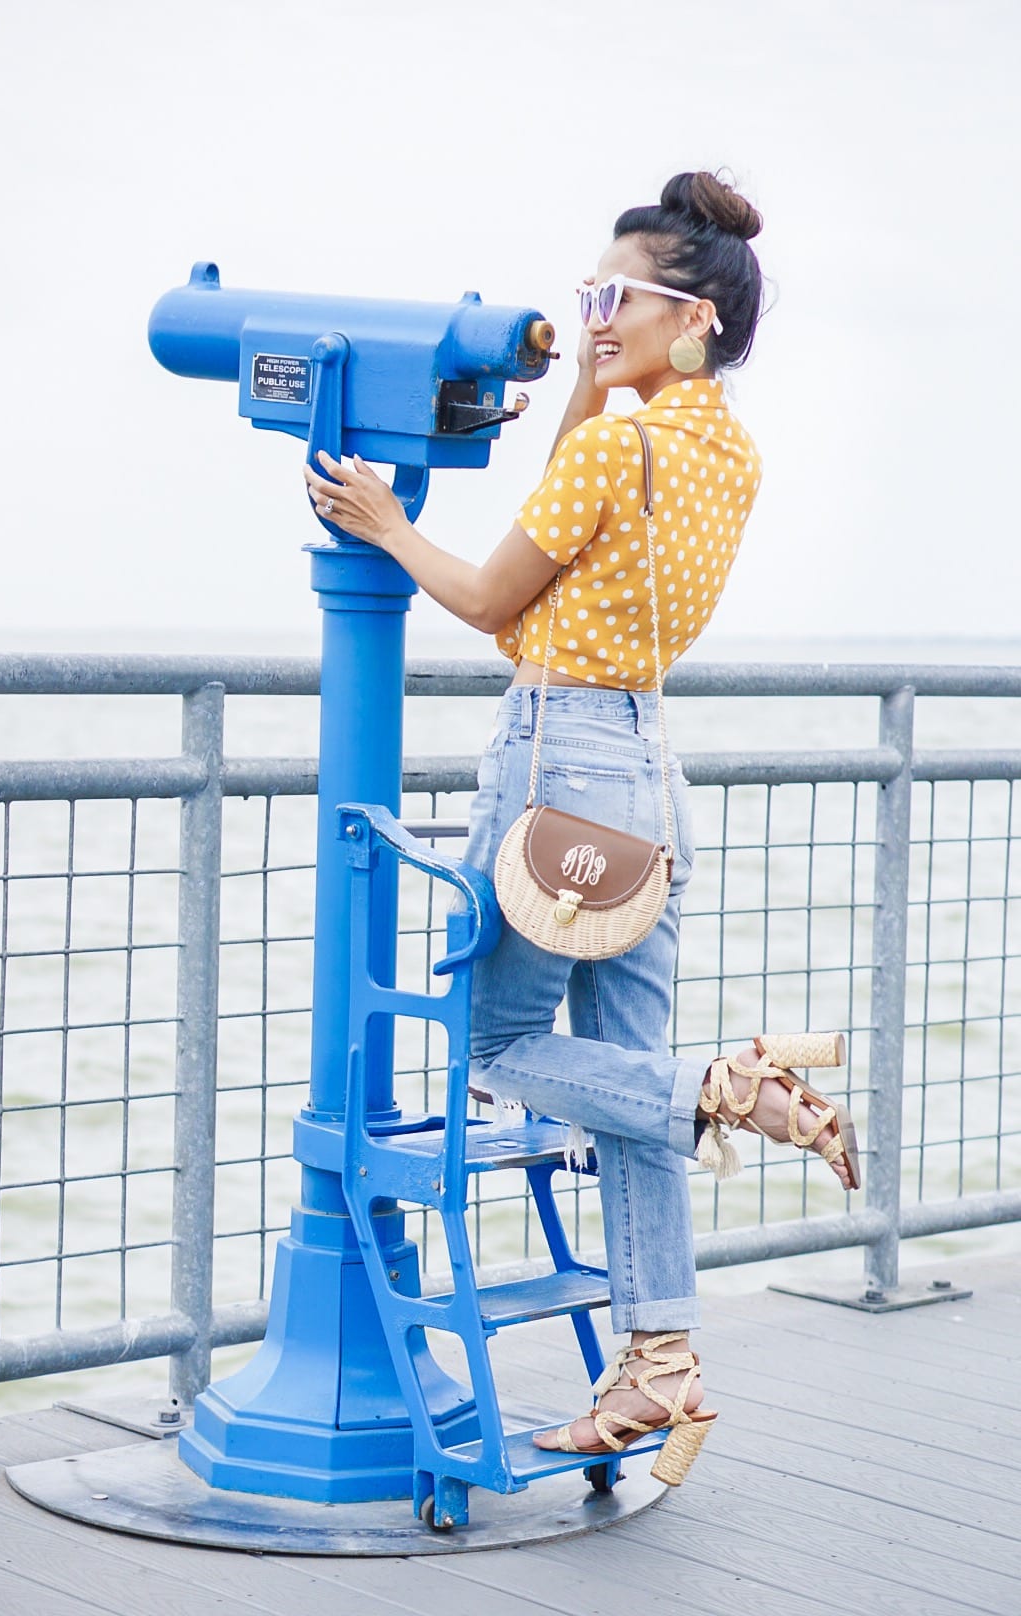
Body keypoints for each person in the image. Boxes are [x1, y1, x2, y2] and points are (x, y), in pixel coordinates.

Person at [303, 171, 860, 1483]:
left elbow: (499, 596)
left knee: (500, 1043)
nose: (596, 315)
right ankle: (657, 1362)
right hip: (649, 776)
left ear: (697, 319)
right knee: (620, 1084)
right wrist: (585, 375)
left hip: (558, 761)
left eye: (620, 297)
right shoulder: (721, 452)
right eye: (586, 291)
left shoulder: (621, 446)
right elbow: (573, 519)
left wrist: (386, 527)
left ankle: (724, 1091)